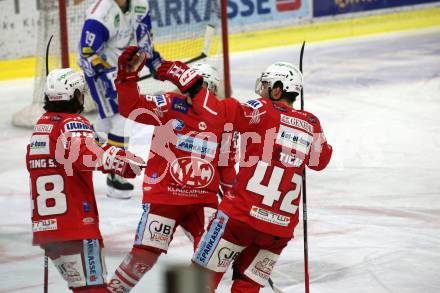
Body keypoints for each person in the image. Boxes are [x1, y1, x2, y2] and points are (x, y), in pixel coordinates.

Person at [155, 59, 333, 292]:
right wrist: (307, 129)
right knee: (247, 286)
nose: (263, 90)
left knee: (196, 281)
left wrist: (187, 80)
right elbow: (321, 161)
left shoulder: (262, 109)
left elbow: (218, 113)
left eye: (267, 85)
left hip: (240, 218)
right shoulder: (311, 122)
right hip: (279, 230)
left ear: (278, 89)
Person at [106, 47, 237, 293]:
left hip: (201, 201)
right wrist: (127, 78)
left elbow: (227, 168)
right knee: (144, 255)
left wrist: (234, 201)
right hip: (165, 197)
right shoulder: (169, 104)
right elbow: (131, 107)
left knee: (208, 256)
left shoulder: (223, 118)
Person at [26, 68, 145, 292]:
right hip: (77, 228)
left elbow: (81, 147)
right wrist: (121, 162)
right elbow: (87, 155)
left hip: (47, 230)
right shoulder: (73, 123)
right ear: (75, 95)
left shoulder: (41, 128)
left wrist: (105, 148)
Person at [78, 0, 163, 199]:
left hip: (121, 70)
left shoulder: (140, 4)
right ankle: (116, 175)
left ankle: (76, 147)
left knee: (109, 121)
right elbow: (88, 53)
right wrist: (109, 76)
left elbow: (144, 41)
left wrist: (155, 62)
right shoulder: (100, 14)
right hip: (99, 72)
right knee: (121, 117)